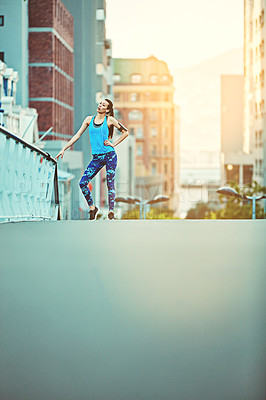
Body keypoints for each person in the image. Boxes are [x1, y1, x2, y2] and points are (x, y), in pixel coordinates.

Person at [55, 98, 129, 220]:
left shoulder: (109, 120)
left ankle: (111, 211)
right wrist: (64, 149)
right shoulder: (89, 119)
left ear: (108, 109)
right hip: (96, 158)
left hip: (110, 155)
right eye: (100, 103)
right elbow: (77, 135)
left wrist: (113, 144)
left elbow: (125, 132)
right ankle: (92, 208)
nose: (100, 105)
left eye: (103, 105)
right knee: (82, 182)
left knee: (110, 183)